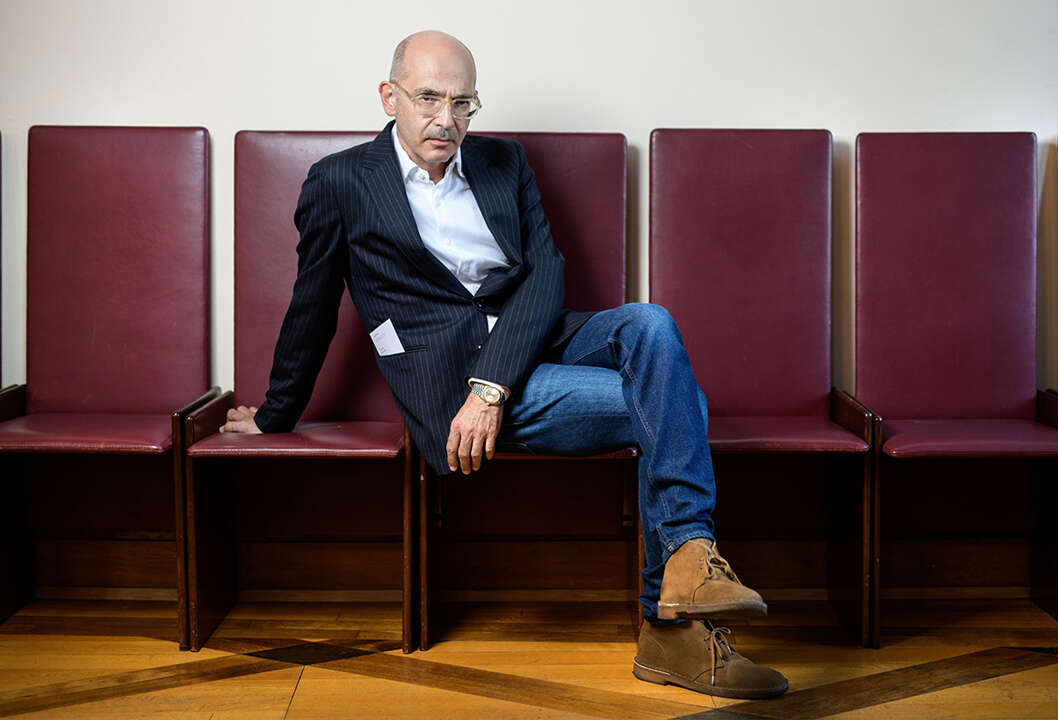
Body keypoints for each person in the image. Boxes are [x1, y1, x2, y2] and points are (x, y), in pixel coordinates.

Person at [220, 30, 788, 700]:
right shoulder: (340, 181)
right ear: (389, 97)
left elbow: (546, 272)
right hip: (448, 384)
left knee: (651, 324)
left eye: (462, 103)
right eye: (429, 98)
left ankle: (689, 566)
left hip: (532, 343)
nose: (447, 119)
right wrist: (275, 415)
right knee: (675, 400)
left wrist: (495, 384)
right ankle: (673, 629)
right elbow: (311, 308)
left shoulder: (503, 162)